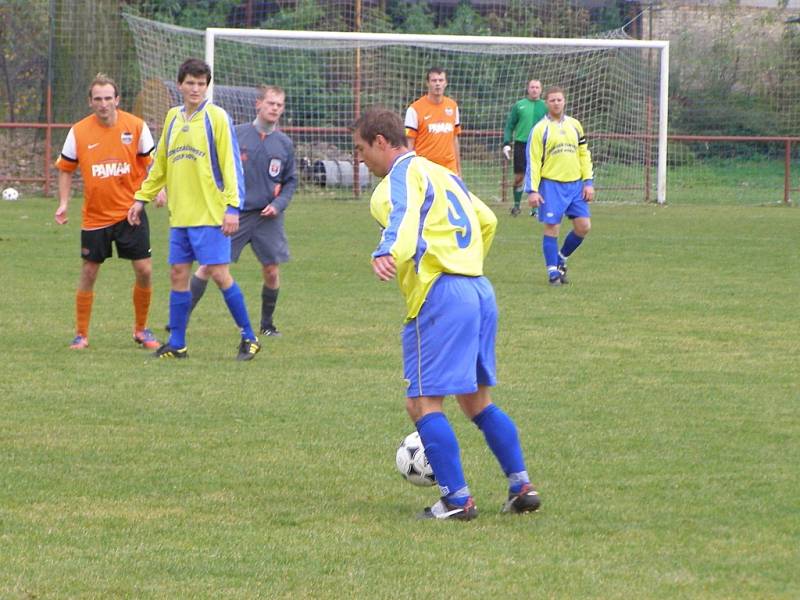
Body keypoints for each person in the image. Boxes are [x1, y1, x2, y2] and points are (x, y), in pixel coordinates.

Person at [354, 108, 540, 521]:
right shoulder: (443, 173)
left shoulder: (399, 177)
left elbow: (403, 219)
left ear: (382, 143)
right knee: (476, 401)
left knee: (421, 403)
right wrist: (466, 260)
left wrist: (387, 250)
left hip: (442, 295)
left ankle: (457, 500)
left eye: (362, 149)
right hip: (478, 289)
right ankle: (521, 484)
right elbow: (487, 220)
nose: (361, 159)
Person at [127, 58, 261, 361]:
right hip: (182, 215)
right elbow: (159, 165)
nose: (196, 89)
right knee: (178, 274)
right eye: (190, 83)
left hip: (212, 214)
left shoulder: (217, 118)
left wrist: (232, 208)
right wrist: (141, 198)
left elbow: (231, 165)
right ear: (180, 85)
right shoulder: (173, 118)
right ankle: (177, 343)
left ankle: (249, 337)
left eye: (201, 84)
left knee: (218, 273)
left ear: (207, 86)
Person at [54, 73, 160, 351]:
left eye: (108, 98)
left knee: (144, 270)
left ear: (117, 99)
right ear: (90, 102)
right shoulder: (78, 131)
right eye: (97, 99)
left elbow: (153, 164)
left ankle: (141, 330)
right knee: (89, 272)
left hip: (130, 212)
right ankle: (81, 335)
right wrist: (64, 203)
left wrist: (159, 189)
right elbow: (65, 169)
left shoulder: (136, 126)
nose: (103, 104)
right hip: (95, 216)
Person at [182, 85, 296, 337]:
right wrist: (223, 202)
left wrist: (278, 205)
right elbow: (216, 169)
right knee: (210, 265)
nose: (275, 108)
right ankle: (181, 319)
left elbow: (290, 181)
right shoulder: (236, 134)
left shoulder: (285, 144)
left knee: (271, 270)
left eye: (279, 105)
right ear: (258, 104)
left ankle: (267, 324)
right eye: (271, 103)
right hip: (235, 214)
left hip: (268, 218)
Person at [525, 86, 594, 286]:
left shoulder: (575, 125)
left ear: (564, 101)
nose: (556, 103)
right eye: (552, 100)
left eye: (559, 100)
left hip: (575, 186)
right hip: (551, 185)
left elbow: (584, 154)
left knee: (584, 226)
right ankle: (553, 273)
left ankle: (562, 258)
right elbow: (533, 161)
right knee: (552, 228)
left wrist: (588, 182)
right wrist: (533, 190)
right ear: (546, 103)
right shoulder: (540, 129)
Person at [404, 67, 461, 176]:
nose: (438, 84)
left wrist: (458, 171)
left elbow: (454, 139)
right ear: (427, 83)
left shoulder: (452, 106)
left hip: (449, 171)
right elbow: (409, 144)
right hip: (425, 171)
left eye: (441, 80)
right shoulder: (414, 109)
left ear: (446, 83)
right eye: (434, 81)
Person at [502, 79, 547, 216]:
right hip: (522, 144)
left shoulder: (546, 106)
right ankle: (516, 206)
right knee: (519, 177)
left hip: (540, 144)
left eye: (537, 87)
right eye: (532, 87)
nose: (534, 90)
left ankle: (535, 209)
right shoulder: (519, 105)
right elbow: (510, 125)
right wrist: (506, 143)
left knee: (539, 176)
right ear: (528, 89)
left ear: (541, 90)